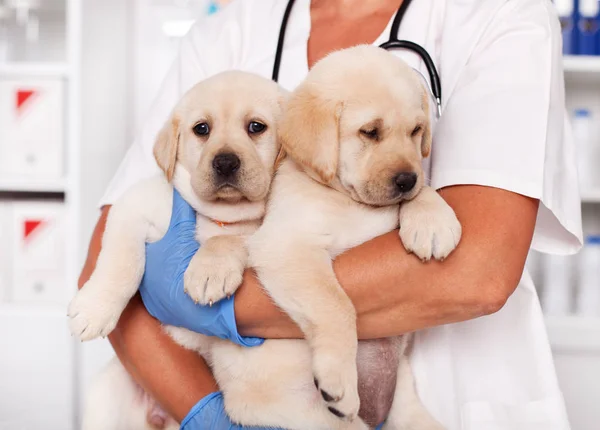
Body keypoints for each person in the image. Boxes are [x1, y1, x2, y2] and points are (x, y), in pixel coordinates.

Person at [78, 0, 583, 428]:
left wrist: (227, 308)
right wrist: (207, 414)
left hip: (458, 395)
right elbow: (110, 275)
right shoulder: (231, 28)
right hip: (269, 402)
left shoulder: (499, 12)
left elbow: (476, 271)